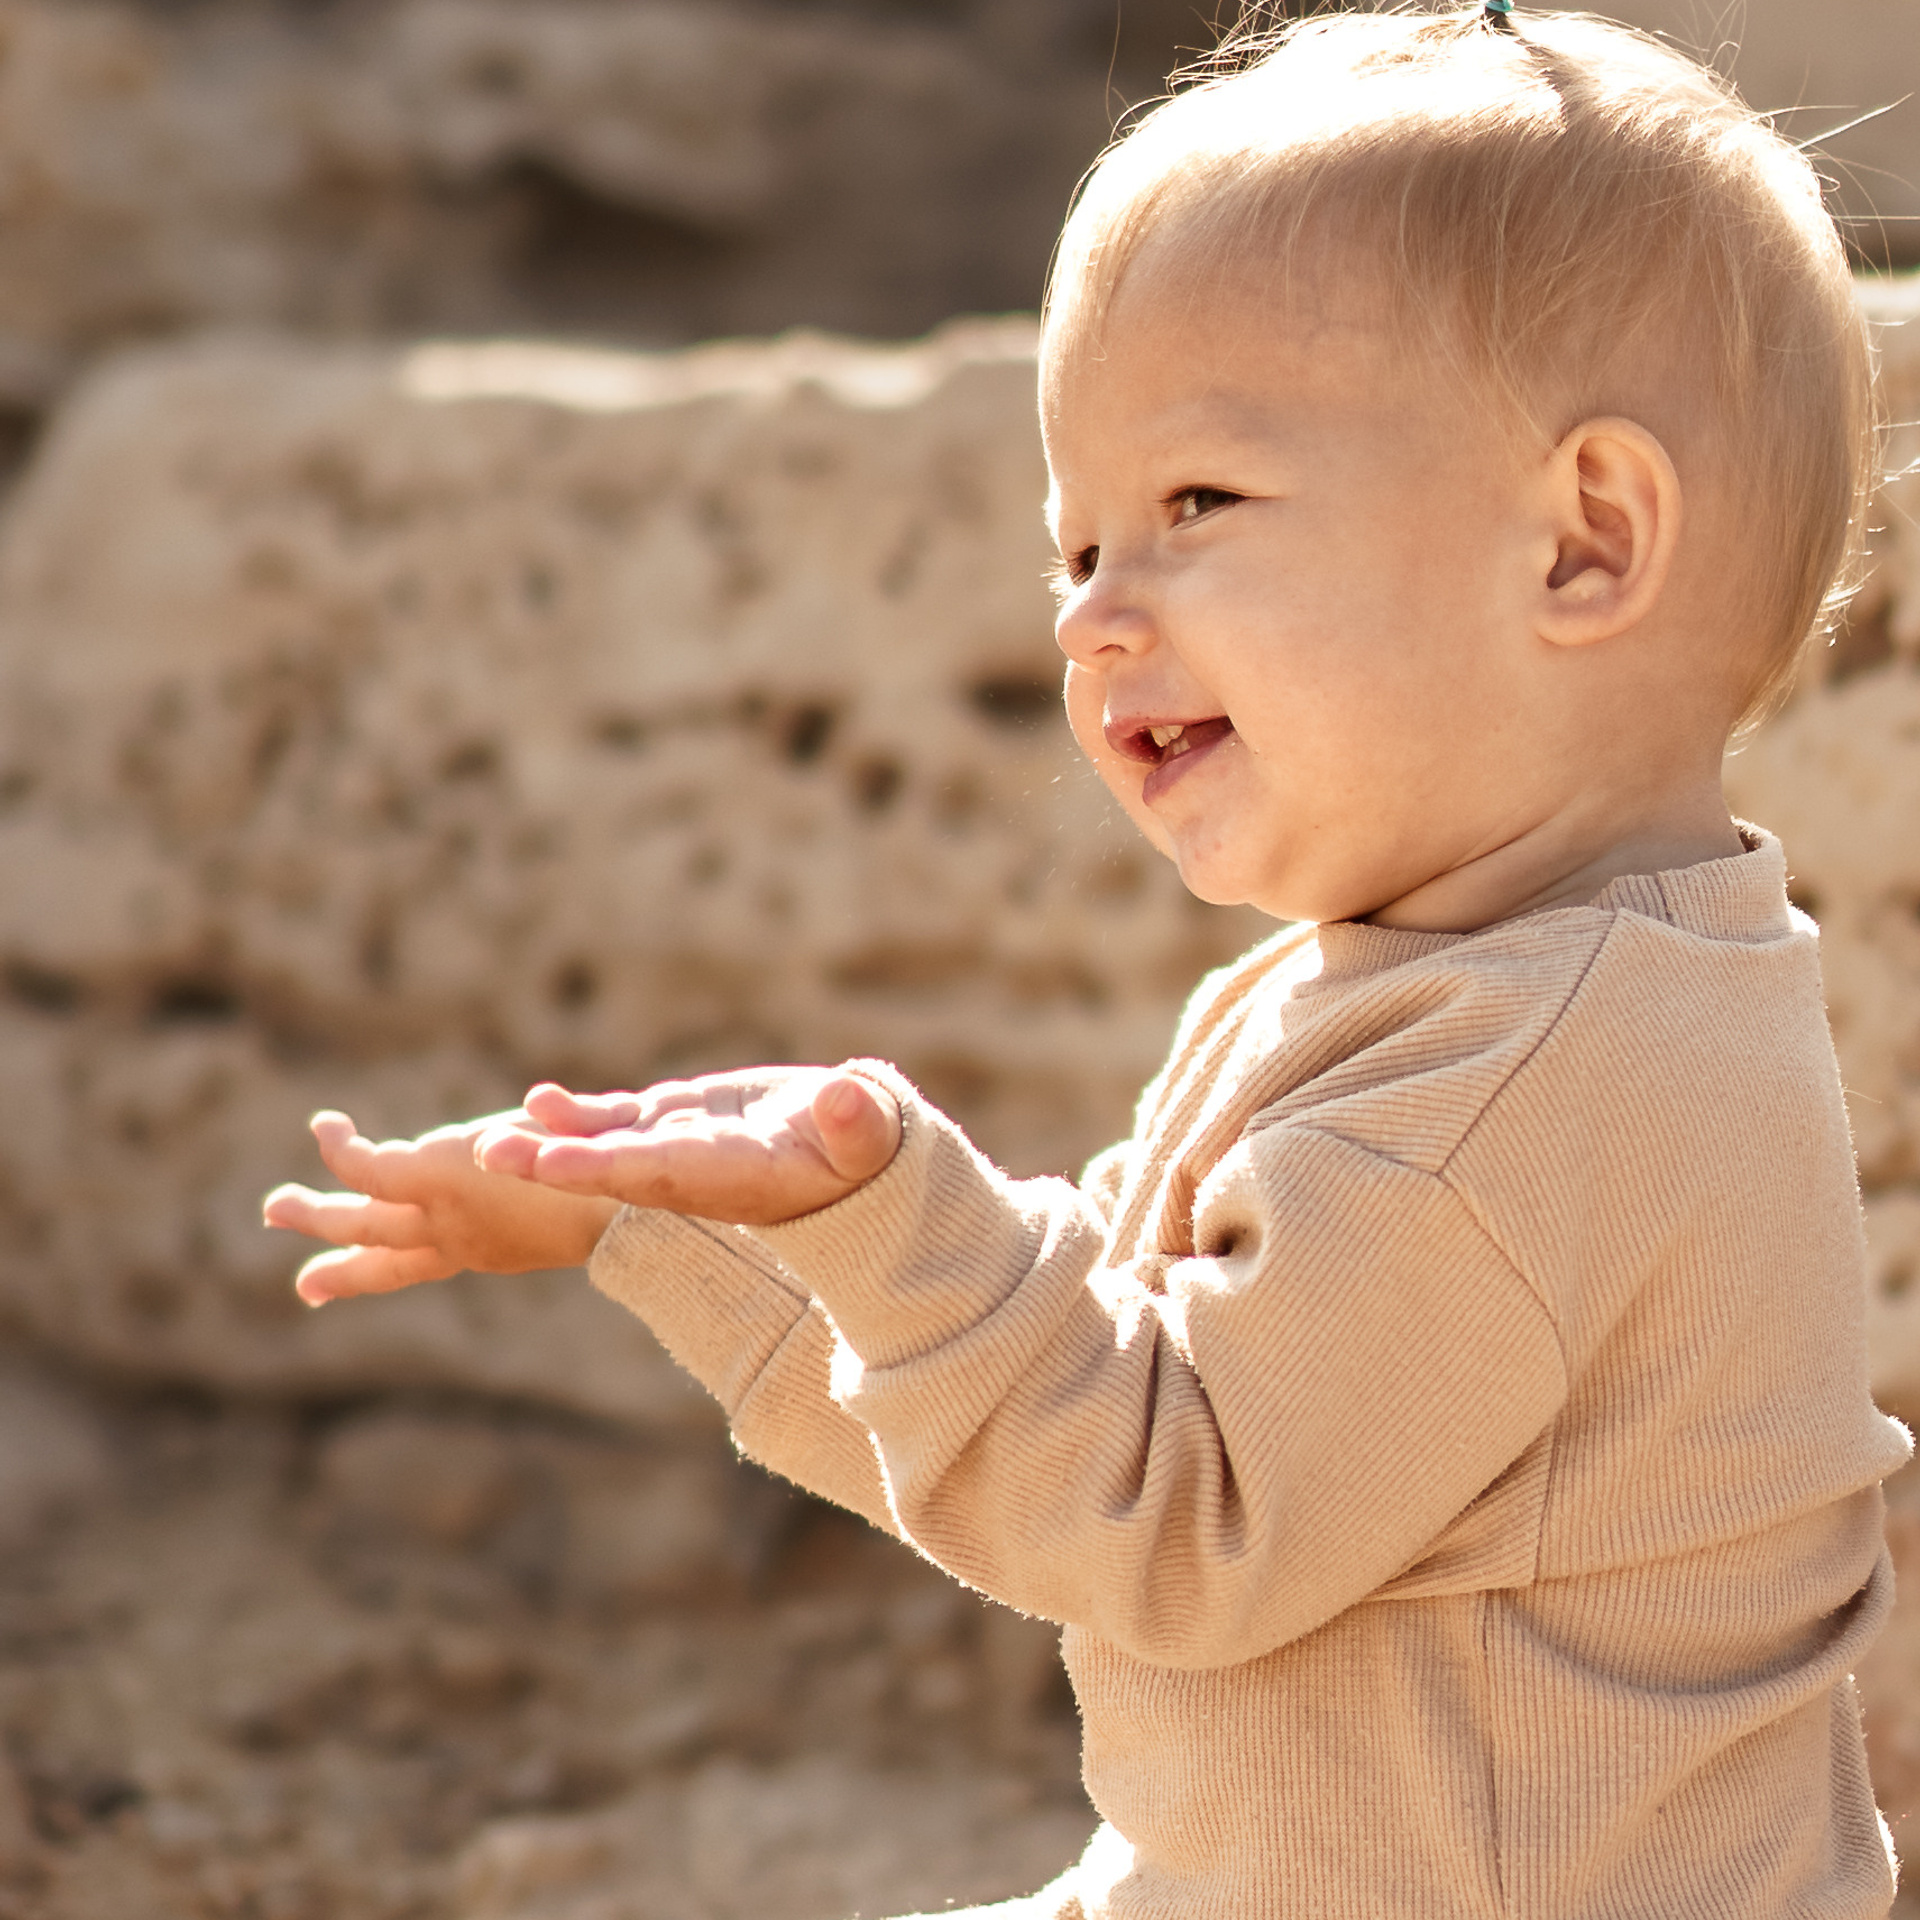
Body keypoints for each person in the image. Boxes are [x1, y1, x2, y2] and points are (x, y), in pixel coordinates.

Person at [264, 5, 1912, 1913]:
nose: (1095, 620)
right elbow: (1056, 1415)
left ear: (1582, 542)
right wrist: (702, 1222)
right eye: (1072, 550)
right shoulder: (1470, 992)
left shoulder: (1550, 1080)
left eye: (1195, 505)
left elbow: (1163, 1510)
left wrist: (890, 1221)